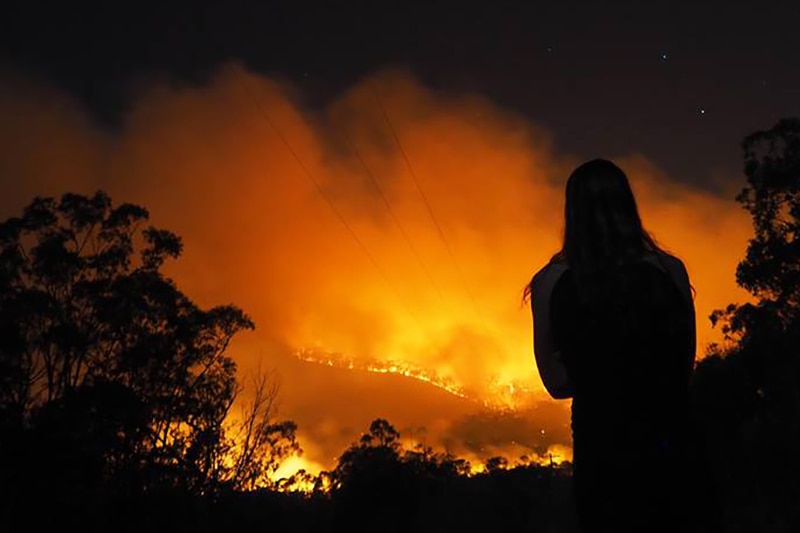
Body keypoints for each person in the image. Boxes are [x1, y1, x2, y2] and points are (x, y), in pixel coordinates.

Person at [526, 159, 721, 532]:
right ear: (628, 206)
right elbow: (683, 367)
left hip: (604, 454)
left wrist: (596, 367)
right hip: (675, 450)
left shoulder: (551, 282)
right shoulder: (669, 271)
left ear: (572, 212)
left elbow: (556, 383)